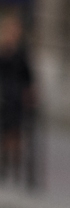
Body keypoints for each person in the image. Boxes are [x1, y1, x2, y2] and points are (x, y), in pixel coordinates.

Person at [0, 11, 33, 182]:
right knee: (5, 132)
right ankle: (4, 167)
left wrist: (29, 94)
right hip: (4, 95)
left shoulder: (21, 52)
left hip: (16, 97)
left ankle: (16, 170)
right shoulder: (3, 50)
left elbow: (28, 75)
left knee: (16, 133)